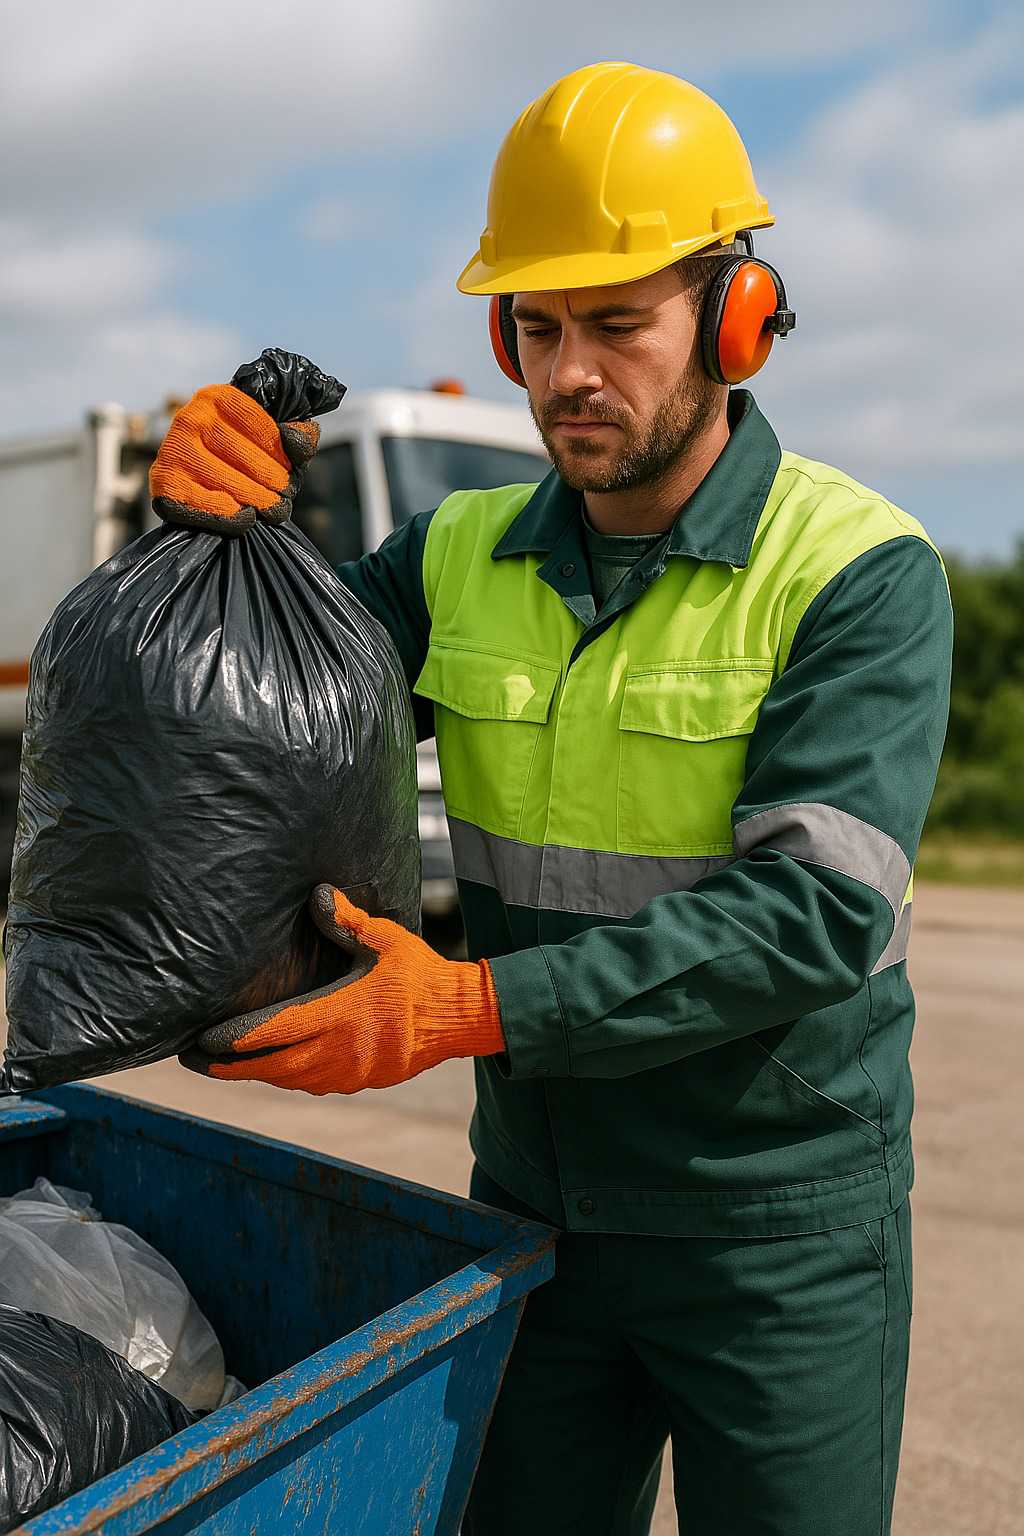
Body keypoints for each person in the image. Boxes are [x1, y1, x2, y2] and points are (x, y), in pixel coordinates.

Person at [150, 63, 952, 1536]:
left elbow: (817, 916)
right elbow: (249, 706)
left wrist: (466, 1009)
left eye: (618, 321)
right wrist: (203, 520)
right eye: (536, 325)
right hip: (536, 1214)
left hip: (776, 1240)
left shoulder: (857, 571)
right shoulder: (451, 556)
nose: (568, 371)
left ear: (735, 320)